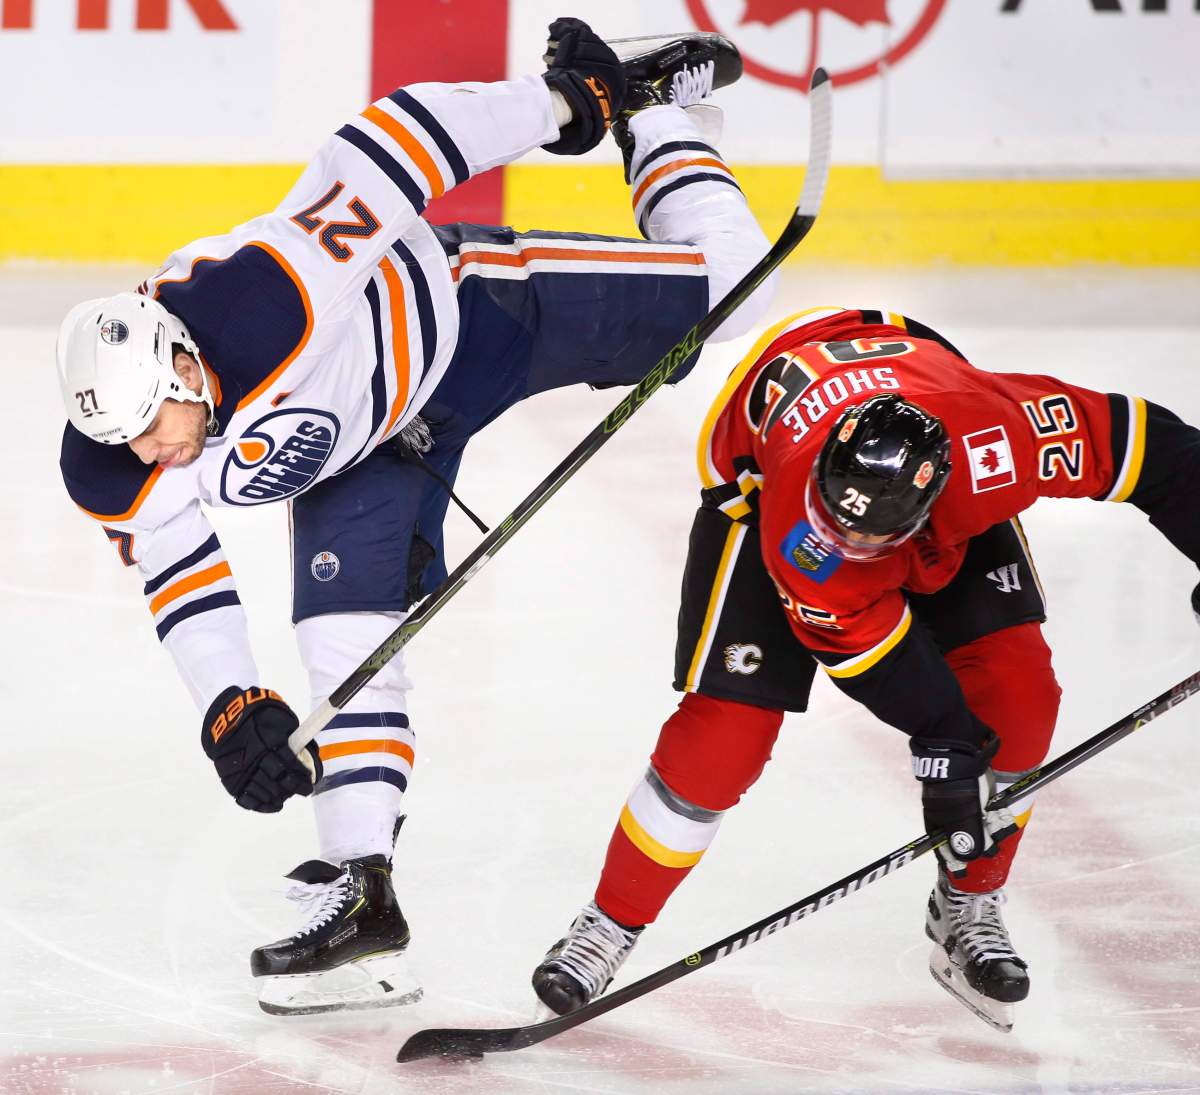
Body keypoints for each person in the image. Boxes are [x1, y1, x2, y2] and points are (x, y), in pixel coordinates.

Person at [55, 20, 773, 1015]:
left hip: (474, 319)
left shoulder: (266, 297)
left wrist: (566, 101)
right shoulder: (112, 458)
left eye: (156, 423)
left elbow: (394, 143)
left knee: (734, 290)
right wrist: (228, 708)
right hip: (365, 451)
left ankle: (660, 117)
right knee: (343, 637)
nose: (155, 450)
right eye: (131, 442)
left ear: (181, 363)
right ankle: (363, 895)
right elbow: (182, 576)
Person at [531, 304, 1200, 1032]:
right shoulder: (805, 535)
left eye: (865, 534)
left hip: (928, 403)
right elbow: (876, 657)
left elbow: (1153, 449)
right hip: (755, 487)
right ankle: (609, 922)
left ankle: (968, 900)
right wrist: (942, 739)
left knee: (1020, 694)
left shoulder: (998, 438)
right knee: (728, 733)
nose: (842, 540)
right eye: (836, 519)